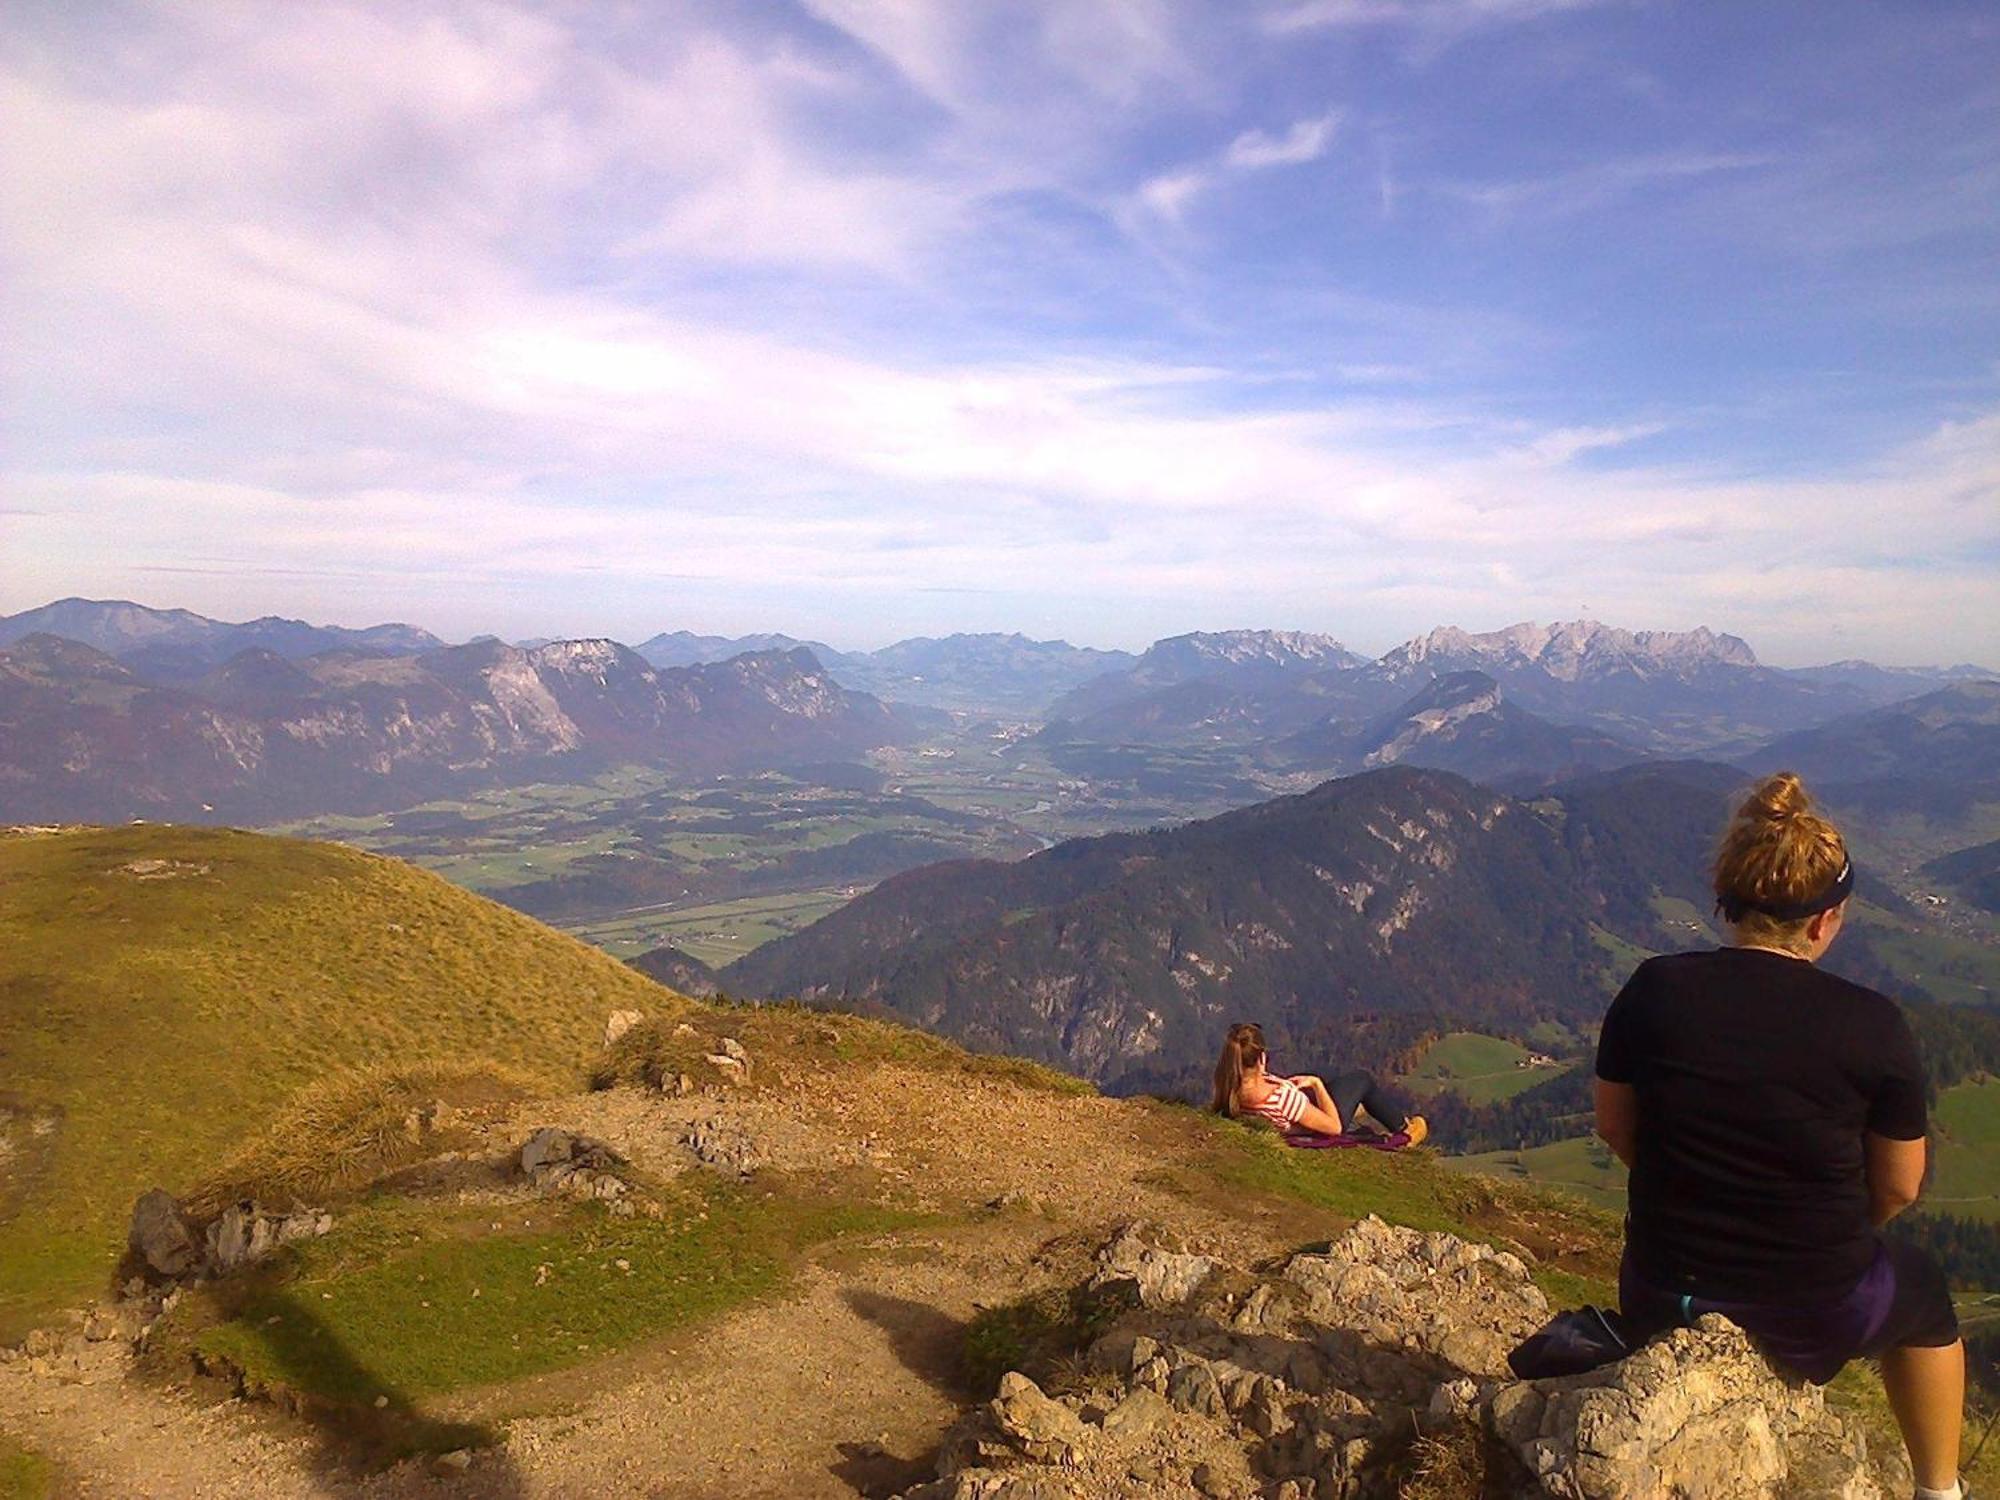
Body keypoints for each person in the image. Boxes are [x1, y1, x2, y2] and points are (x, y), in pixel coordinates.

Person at [1594, 771, 1966, 1500]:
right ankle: (1939, 1489)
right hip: (1816, 1305)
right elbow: (1899, 1184)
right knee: (1924, 1293)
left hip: (1662, 1290)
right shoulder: (1872, 1024)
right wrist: (1831, 1230)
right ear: (1825, 920)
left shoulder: (1653, 989)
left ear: (1727, 903)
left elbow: (1615, 1126)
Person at [1211, 1021, 1427, 1147]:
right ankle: (1405, 1131)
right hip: (1315, 1122)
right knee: (1362, 1080)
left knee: (1342, 1085)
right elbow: (1334, 1128)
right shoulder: (1281, 1099)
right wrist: (1315, 1084)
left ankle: (1359, 1107)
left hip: (1294, 1112)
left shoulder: (1230, 1087)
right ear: (1261, 1059)